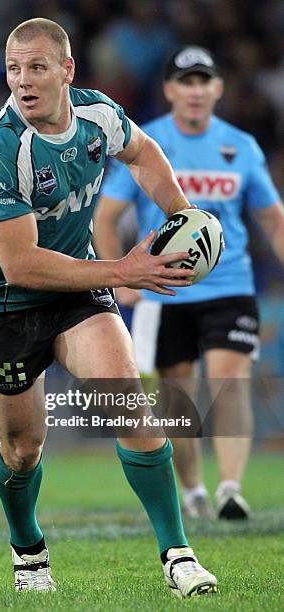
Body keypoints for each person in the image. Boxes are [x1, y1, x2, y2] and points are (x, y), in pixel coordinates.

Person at [0, 19, 217, 597]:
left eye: (37, 68)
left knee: (128, 402)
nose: (22, 81)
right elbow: (24, 265)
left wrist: (182, 214)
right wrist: (123, 271)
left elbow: (144, 152)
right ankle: (28, 551)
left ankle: (178, 554)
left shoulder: (97, 115)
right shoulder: (0, 154)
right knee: (23, 450)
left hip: (78, 287)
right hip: (4, 302)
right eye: (13, 70)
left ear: (66, 71)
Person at [94, 46, 284, 520]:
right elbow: (106, 217)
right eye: (186, 82)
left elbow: (273, 220)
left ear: (217, 89)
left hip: (230, 283)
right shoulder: (145, 144)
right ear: (169, 90)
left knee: (231, 377)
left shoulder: (240, 147)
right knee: (177, 394)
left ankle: (231, 489)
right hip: (165, 288)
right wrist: (121, 276)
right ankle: (195, 491)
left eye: (204, 81)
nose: (195, 91)